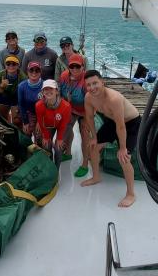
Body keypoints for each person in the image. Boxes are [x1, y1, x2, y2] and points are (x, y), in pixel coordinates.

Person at [81, 70, 141, 208]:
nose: (92, 87)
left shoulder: (114, 99)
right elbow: (89, 118)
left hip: (130, 123)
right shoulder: (89, 98)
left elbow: (121, 127)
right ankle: (96, 176)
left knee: (124, 157)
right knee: (93, 147)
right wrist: (94, 138)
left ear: (102, 82)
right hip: (112, 121)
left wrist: (122, 148)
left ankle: (131, 194)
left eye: (95, 83)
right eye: (88, 85)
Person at [59, 54, 89, 177]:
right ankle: (68, 152)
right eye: (72, 66)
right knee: (66, 128)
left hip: (85, 111)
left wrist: (87, 119)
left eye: (78, 66)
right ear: (68, 67)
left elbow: (91, 103)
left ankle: (85, 164)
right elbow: (61, 94)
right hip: (70, 108)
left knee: (84, 136)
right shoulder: (64, 76)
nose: (75, 69)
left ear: (83, 67)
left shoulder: (86, 81)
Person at [35, 79, 71, 168]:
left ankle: (56, 169)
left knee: (58, 148)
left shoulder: (66, 106)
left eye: (51, 89)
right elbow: (41, 122)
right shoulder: (39, 105)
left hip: (63, 126)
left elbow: (64, 124)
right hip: (48, 125)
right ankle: (50, 166)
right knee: (46, 146)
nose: (48, 91)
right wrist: (46, 137)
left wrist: (59, 138)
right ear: (42, 92)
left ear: (57, 91)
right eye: (46, 89)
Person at [0, 55, 26, 123]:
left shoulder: (23, 77)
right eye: (8, 64)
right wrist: (2, 86)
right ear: (5, 65)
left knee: (17, 121)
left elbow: (24, 95)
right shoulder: (0, 75)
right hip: (4, 97)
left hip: (16, 98)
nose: (11, 66)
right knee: (2, 120)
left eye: (14, 64)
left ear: (18, 66)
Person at [18, 61, 43, 139]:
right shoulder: (21, 86)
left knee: (39, 136)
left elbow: (47, 105)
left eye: (37, 70)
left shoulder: (45, 85)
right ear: (27, 72)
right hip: (28, 113)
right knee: (26, 134)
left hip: (42, 115)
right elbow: (21, 105)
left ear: (40, 72)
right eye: (31, 70)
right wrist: (25, 122)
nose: (34, 73)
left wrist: (40, 122)